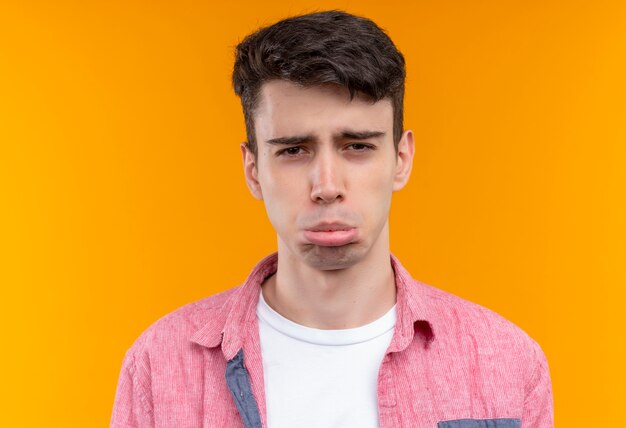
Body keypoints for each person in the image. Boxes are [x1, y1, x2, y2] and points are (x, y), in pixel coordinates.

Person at [111, 10, 553, 428]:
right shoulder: (159, 363)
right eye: (293, 150)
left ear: (401, 158)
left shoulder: (508, 361)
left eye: (357, 146)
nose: (326, 185)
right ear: (253, 170)